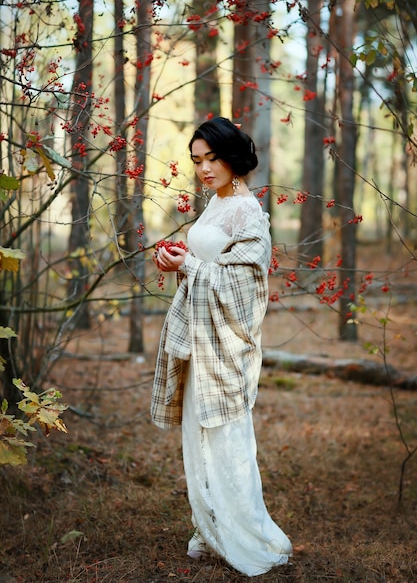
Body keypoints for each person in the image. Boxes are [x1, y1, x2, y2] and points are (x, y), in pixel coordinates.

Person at [151, 117, 292, 577]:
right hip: (198, 338)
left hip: (225, 345)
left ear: (233, 157)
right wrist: (177, 261)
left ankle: (245, 534)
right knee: (199, 437)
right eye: (197, 161)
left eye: (212, 158)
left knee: (229, 440)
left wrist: (190, 264)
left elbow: (245, 285)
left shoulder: (249, 213)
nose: (204, 169)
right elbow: (207, 263)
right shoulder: (215, 203)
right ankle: (210, 527)